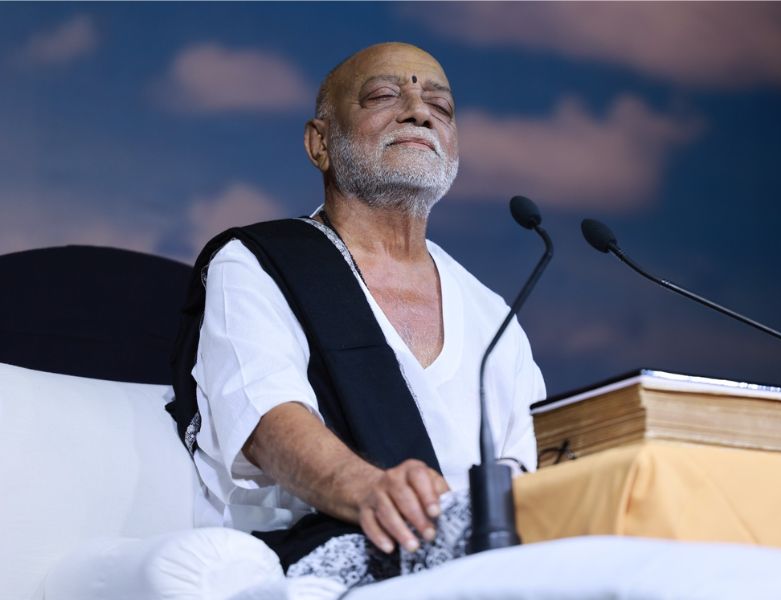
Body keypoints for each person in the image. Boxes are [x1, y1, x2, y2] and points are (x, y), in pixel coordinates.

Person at [169, 41, 545, 587]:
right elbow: (266, 420)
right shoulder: (259, 264)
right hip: (313, 559)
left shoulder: (492, 313)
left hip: (484, 570)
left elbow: (530, 464)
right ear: (320, 142)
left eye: (440, 106)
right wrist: (372, 491)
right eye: (385, 95)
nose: (419, 112)